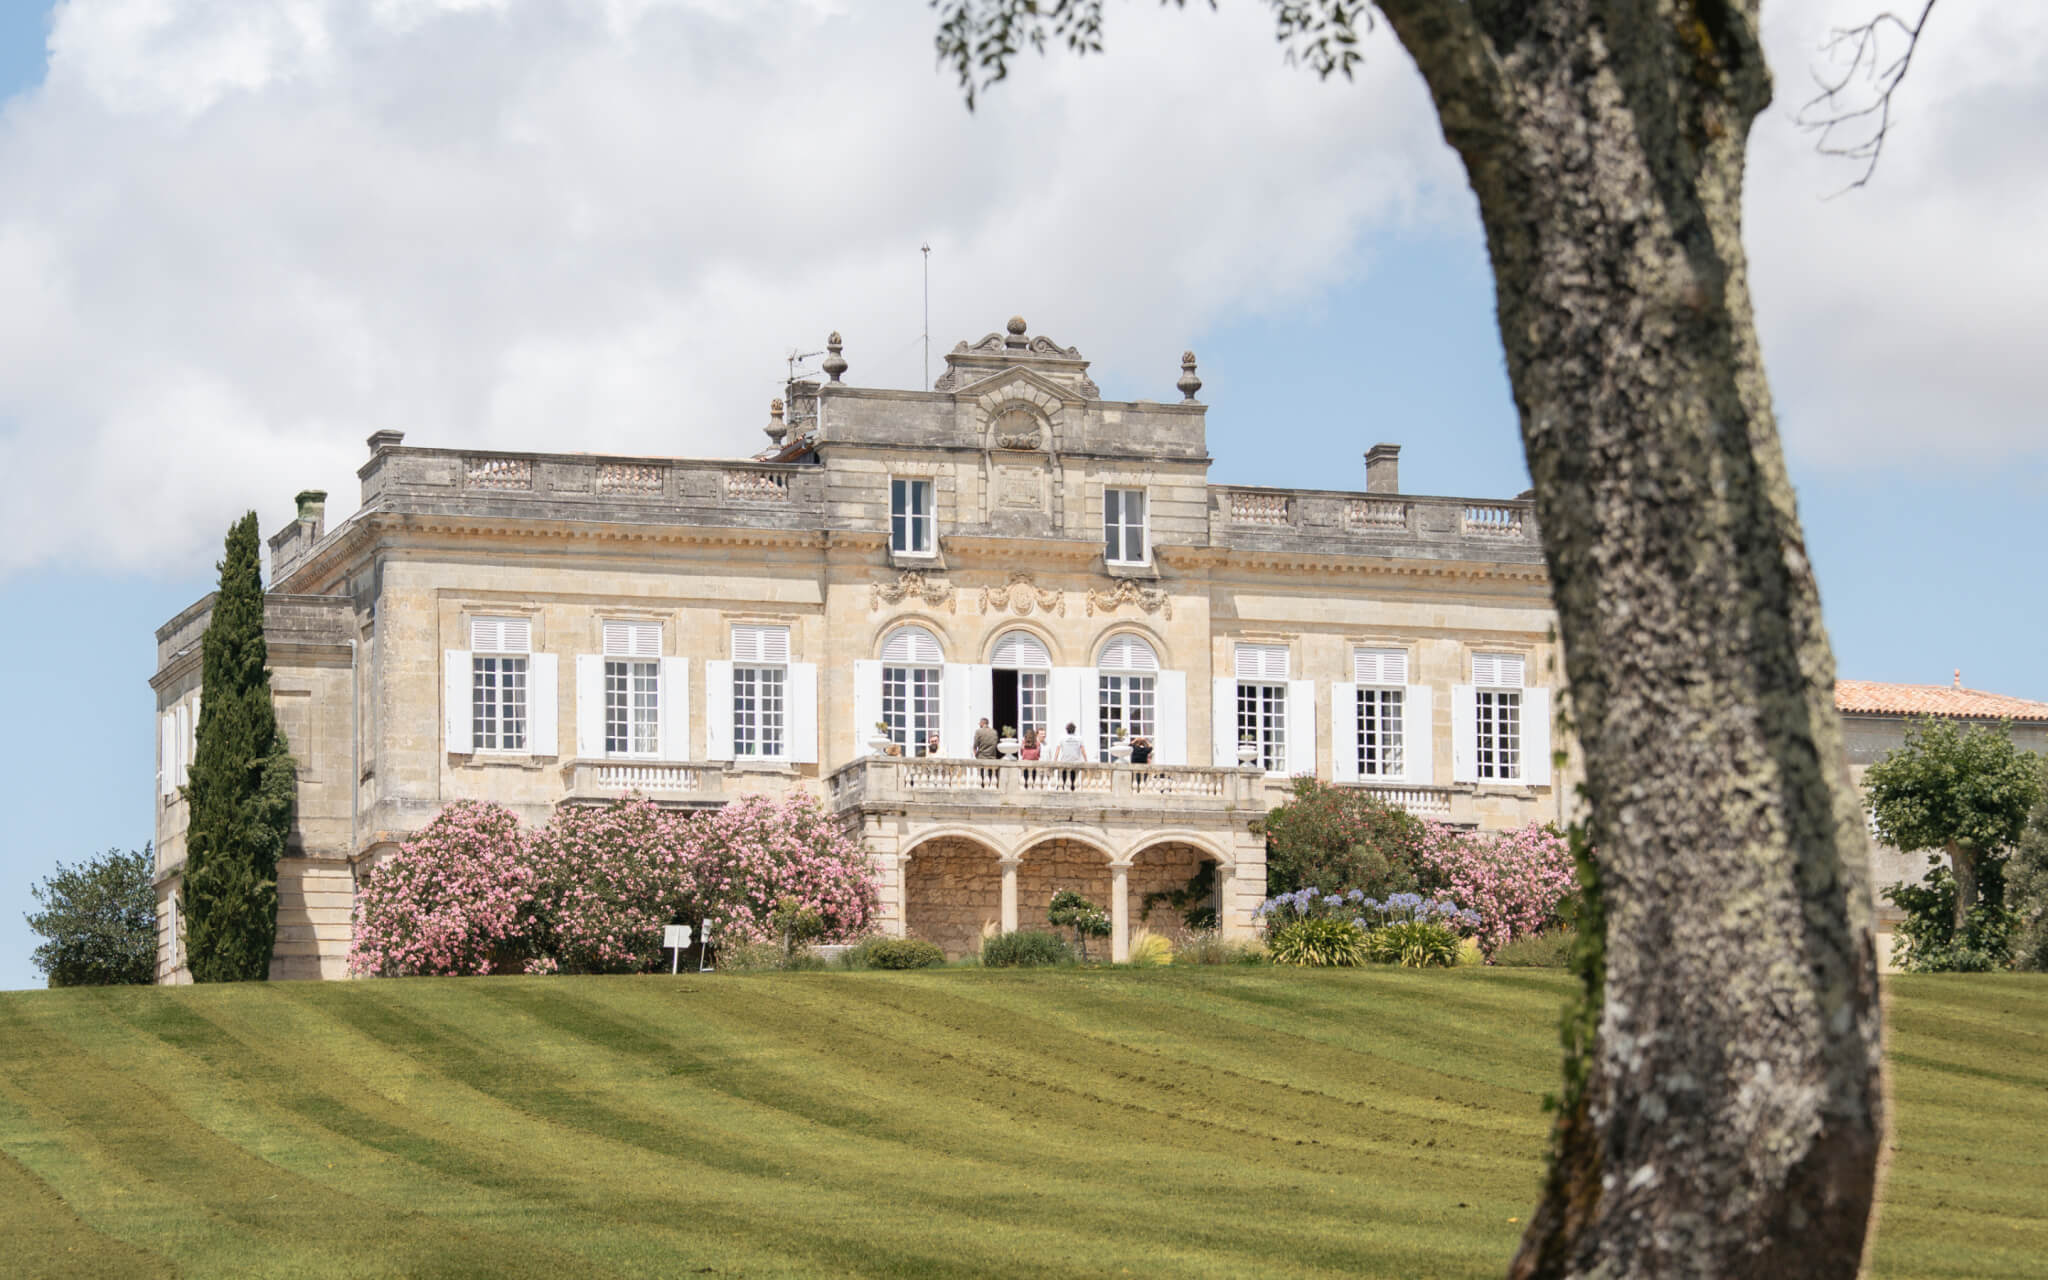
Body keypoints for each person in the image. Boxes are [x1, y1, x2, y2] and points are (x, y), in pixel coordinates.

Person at [1053, 721, 1087, 789]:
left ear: (1066, 729)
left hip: (1064, 762)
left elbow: (1057, 750)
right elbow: (1083, 750)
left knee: (1062, 781)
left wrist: (1055, 760)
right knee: (1073, 781)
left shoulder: (1062, 738)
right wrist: (1086, 761)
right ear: (1074, 729)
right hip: (1075, 762)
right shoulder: (1079, 738)